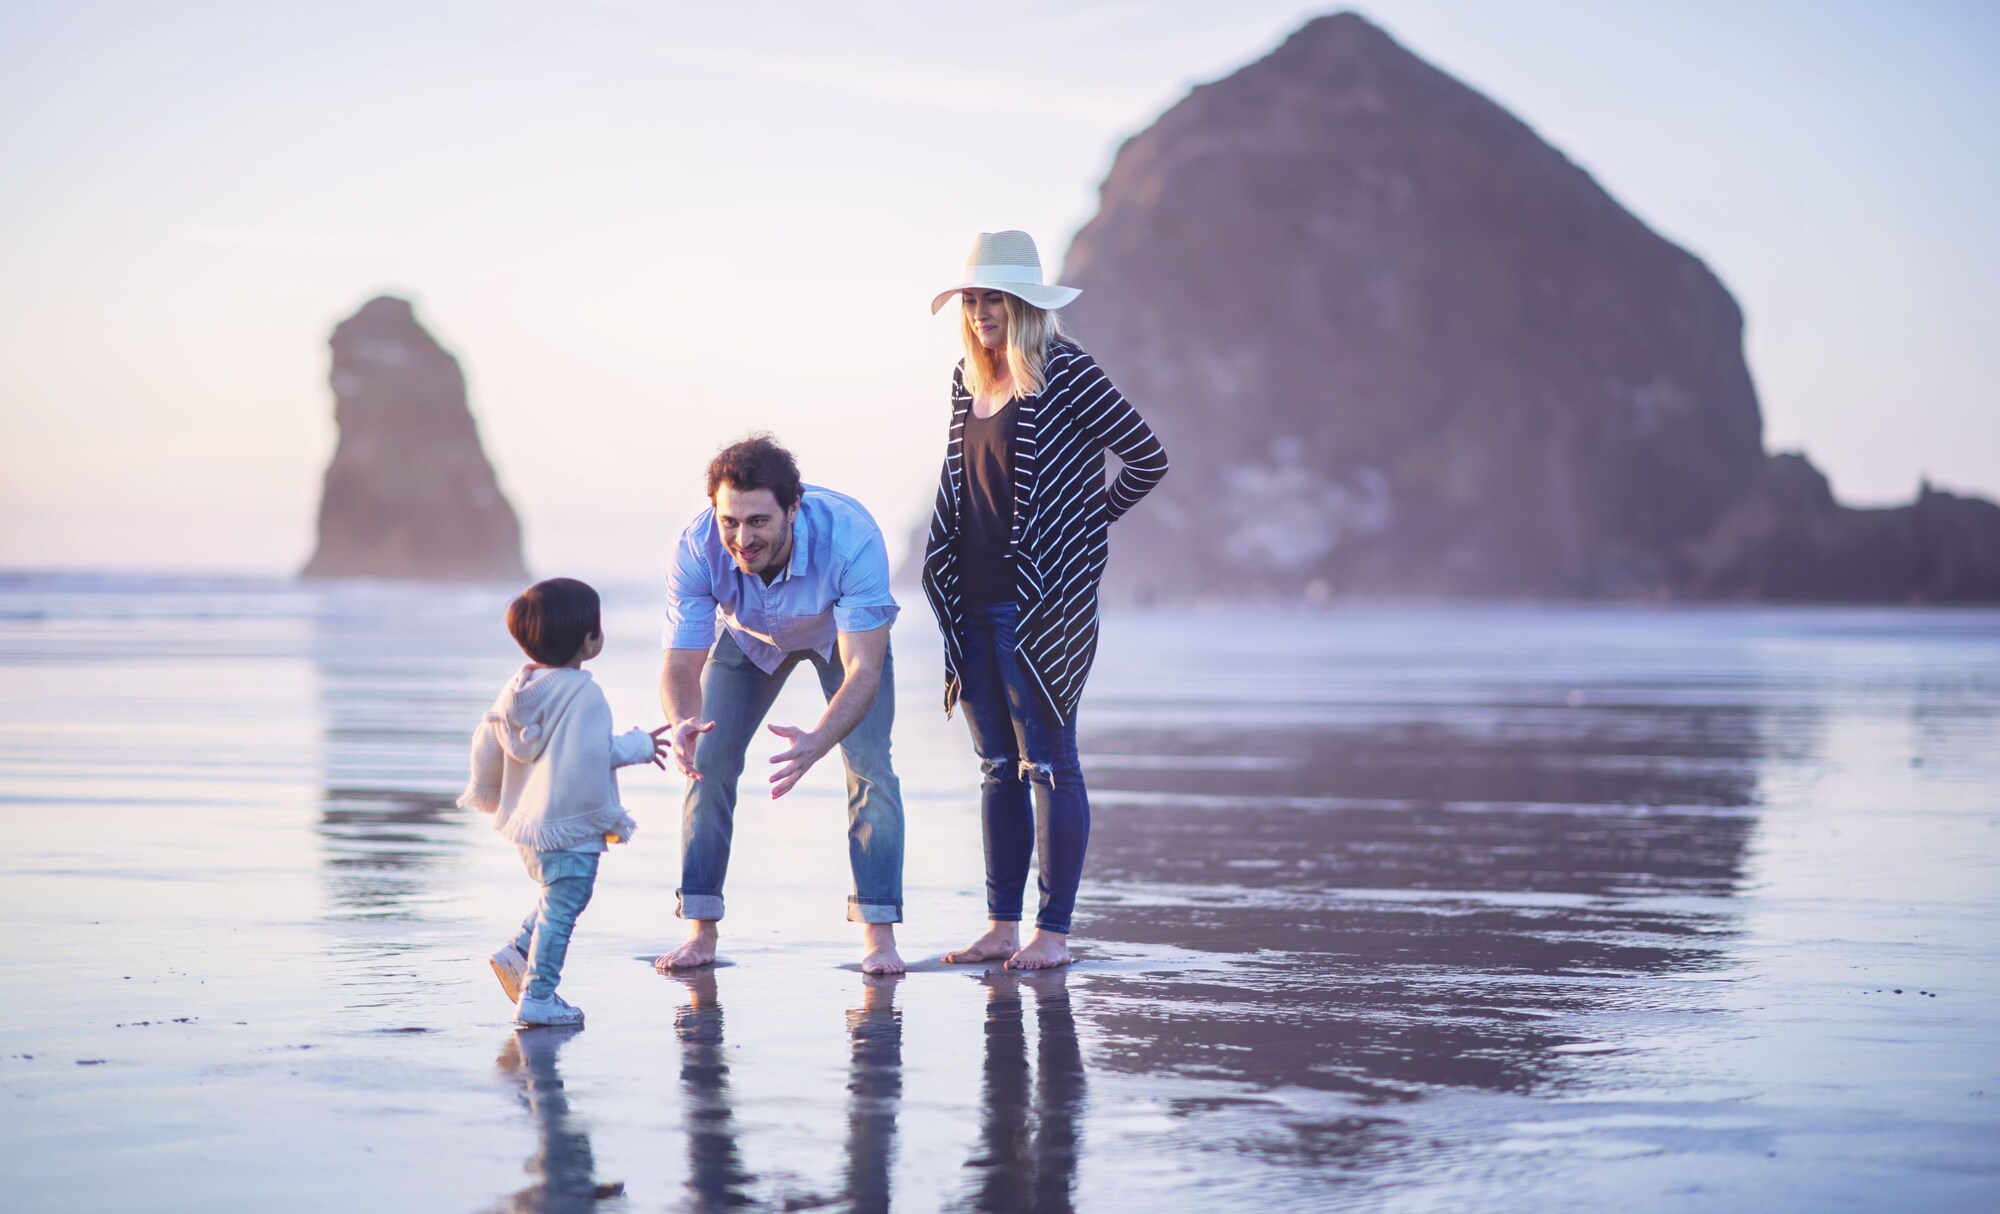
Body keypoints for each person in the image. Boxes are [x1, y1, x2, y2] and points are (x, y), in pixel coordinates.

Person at [921, 230, 1169, 970]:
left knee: (1050, 763)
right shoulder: (966, 379)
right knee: (998, 766)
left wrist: (1081, 526)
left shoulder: (1065, 368)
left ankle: (1052, 933)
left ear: (1025, 304)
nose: (981, 312)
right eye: (972, 299)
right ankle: (1001, 927)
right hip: (970, 599)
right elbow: (964, 484)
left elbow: (1147, 458)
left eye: (994, 299)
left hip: (1040, 605)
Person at [655, 435, 908, 975]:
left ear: (793, 508)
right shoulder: (697, 548)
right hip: (748, 637)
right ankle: (699, 931)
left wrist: (819, 740)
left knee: (870, 767)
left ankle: (879, 938)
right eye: (730, 521)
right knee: (705, 759)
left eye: (758, 522)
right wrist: (681, 722)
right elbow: (680, 664)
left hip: (839, 638)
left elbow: (863, 671)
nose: (742, 539)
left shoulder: (852, 540)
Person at [459, 577, 669, 1028]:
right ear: (588, 641)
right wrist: (641, 745)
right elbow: (593, 753)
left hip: (529, 826)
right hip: (568, 826)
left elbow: (488, 740)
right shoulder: (582, 693)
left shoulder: (518, 690)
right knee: (565, 905)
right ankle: (538, 996)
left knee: (557, 897)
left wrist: (489, 792)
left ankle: (520, 950)